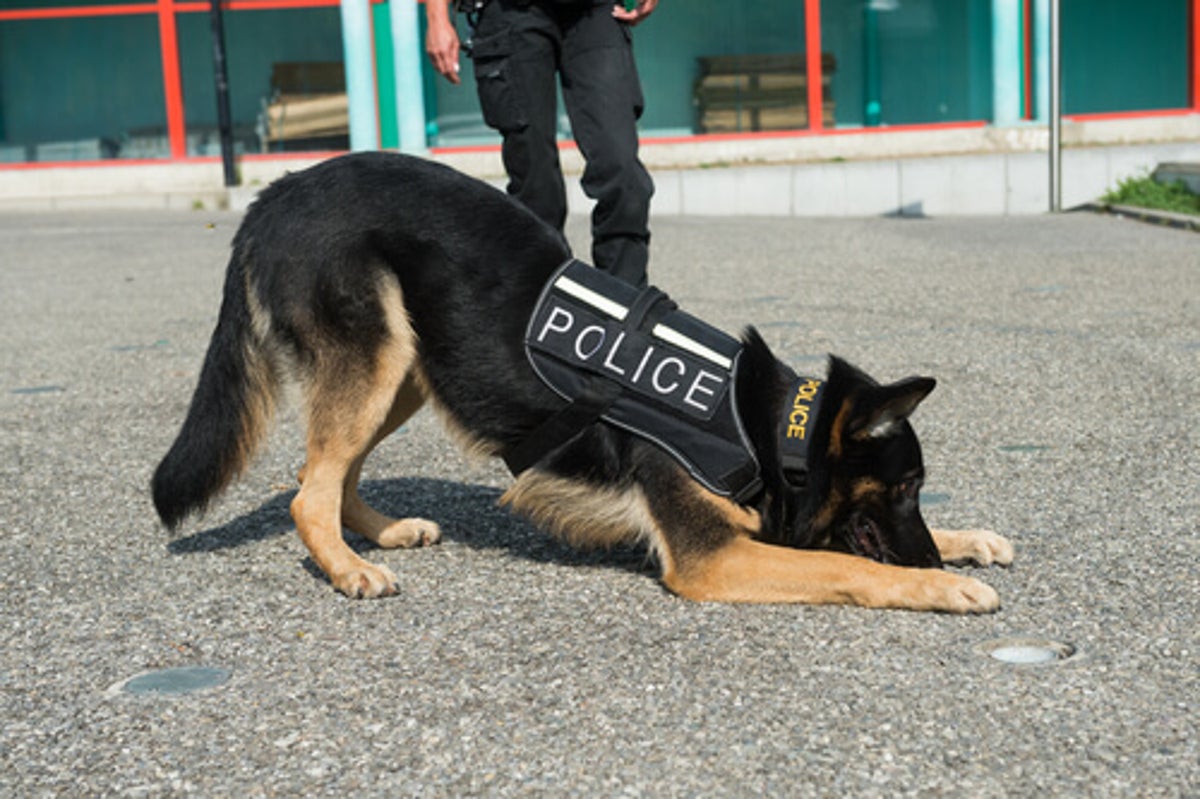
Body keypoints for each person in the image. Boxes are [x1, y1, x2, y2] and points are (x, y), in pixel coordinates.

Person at [425, 0, 658, 287]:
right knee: (536, 186)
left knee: (622, 170)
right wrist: (437, 17)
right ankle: (544, 300)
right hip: (510, 13)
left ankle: (624, 298)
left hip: (596, 11)